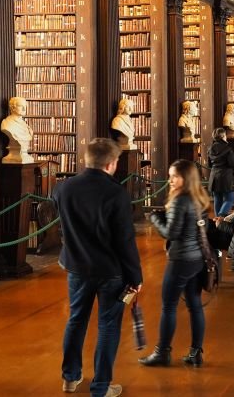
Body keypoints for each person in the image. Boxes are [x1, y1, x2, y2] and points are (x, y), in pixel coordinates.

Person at [53, 138, 142, 397]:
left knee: (76, 319)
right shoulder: (116, 193)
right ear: (112, 163)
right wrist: (135, 276)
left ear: (86, 159)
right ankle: (101, 388)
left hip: (77, 268)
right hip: (110, 271)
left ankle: (70, 377)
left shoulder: (63, 189)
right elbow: (125, 241)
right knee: (108, 326)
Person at [140, 160, 211, 369]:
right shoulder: (199, 197)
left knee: (169, 306)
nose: (170, 180)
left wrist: (154, 218)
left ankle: (162, 352)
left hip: (180, 260)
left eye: (175, 177)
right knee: (195, 305)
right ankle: (196, 353)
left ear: (186, 178)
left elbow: (171, 233)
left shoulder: (180, 200)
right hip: (198, 258)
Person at [207, 127, 234, 217]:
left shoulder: (210, 148)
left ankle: (217, 221)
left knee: (217, 199)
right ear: (223, 136)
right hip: (226, 177)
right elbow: (232, 164)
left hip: (214, 176)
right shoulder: (227, 149)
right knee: (230, 199)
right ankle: (220, 217)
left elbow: (209, 165)